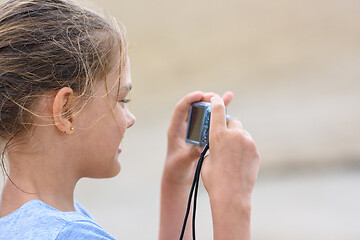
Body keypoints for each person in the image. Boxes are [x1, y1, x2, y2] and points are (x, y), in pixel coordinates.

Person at [0, 0, 260, 239]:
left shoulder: (24, 222)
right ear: (66, 110)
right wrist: (233, 204)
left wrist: (177, 178)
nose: (130, 118)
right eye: (122, 100)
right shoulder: (69, 235)